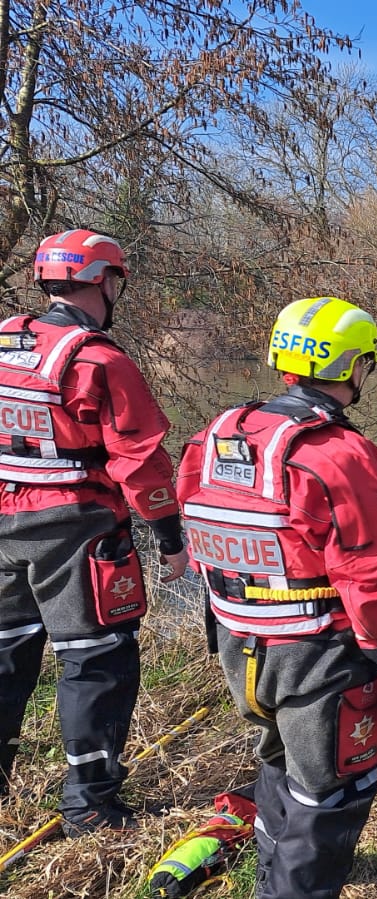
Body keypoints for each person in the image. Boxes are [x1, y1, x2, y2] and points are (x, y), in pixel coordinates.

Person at [175, 296, 377, 899]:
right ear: (353, 366)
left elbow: (199, 528)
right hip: (320, 653)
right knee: (334, 790)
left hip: (239, 645)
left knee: (280, 765)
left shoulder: (217, 435)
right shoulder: (338, 455)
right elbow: (375, 573)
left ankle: (271, 876)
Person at [0, 229, 189, 831]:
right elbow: (139, 460)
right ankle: (90, 804)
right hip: (76, 531)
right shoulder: (98, 359)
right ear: (105, 282)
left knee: (4, 655)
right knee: (97, 662)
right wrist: (169, 536)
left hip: (2, 522)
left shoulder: (3, 343)